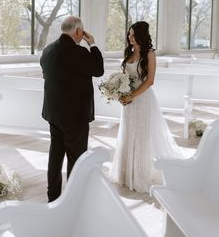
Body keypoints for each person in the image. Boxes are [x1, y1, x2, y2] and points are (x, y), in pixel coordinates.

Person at [110, 21, 183, 193]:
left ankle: (139, 175)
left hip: (142, 100)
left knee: (141, 136)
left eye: (133, 34)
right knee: (128, 133)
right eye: (129, 34)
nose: (130, 37)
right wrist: (119, 91)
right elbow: (125, 77)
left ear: (141, 35)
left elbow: (150, 81)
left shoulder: (149, 54)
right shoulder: (128, 52)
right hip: (127, 102)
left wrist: (131, 96)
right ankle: (126, 174)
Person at [40, 16, 104, 202]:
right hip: (75, 116)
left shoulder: (48, 50)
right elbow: (98, 69)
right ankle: (73, 199)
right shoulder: (78, 52)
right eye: (82, 32)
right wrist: (92, 44)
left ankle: (53, 197)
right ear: (78, 32)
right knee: (76, 158)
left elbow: (47, 75)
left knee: (56, 155)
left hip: (54, 113)